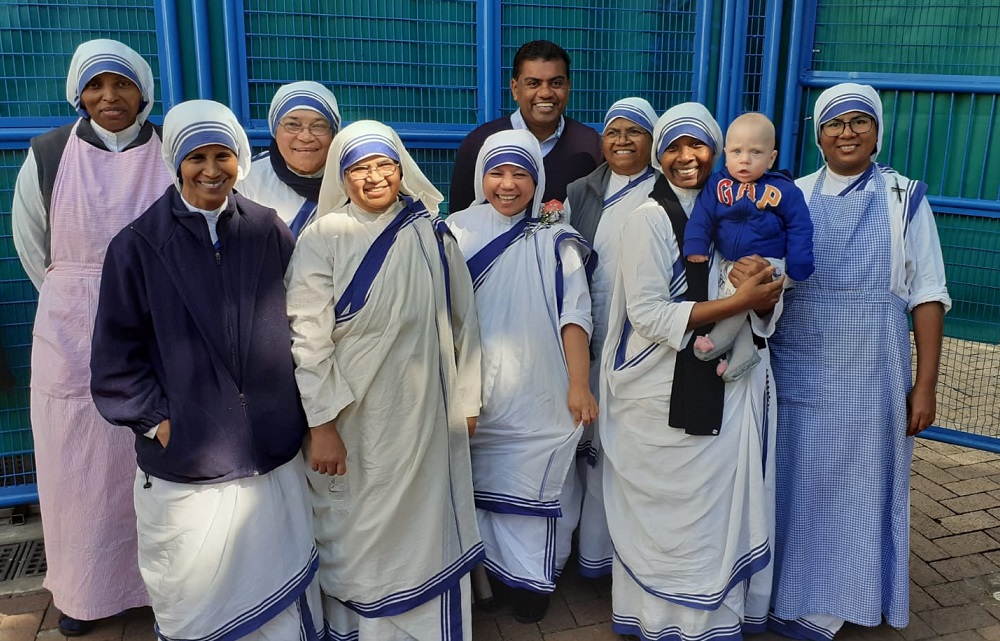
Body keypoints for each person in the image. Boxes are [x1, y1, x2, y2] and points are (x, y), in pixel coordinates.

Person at [90, 100, 323, 641]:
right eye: (197, 157)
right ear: (175, 161)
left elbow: (302, 324)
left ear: (240, 159)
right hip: (188, 462)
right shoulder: (138, 245)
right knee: (197, 596)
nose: (212, 170)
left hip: (271, 454)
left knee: (280, 590)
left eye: (223, 155)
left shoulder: (268, 231)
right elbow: (114, 359)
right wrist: (160, 422)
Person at [286, 120, 483, 640]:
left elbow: (464, 322)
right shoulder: (322, 237)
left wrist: (467, 400)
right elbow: (306, 337)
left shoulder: (433, 233)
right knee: (358, 531)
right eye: (359, 168)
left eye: (384, 165)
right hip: (355, 421)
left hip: (426, 419)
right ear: (341, 176)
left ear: (401, 168)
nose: (373, 177)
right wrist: (322, 424)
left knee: (426, 528)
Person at [768, 83, 950, 640]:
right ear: (818, 134)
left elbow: (928, 294)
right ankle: (789, 598)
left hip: (873, 371)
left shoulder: (904, 198)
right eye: (834, 123)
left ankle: (843, 600)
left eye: (858, 122)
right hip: (799, 362)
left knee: (859, 486)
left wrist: (925, 385)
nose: (846, 133)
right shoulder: (791, 195)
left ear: (876, 131)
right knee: (794, 481)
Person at [601, 102, 785, 641]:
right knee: (662, 519)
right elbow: (651, 316)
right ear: (659, 155)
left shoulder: (740, 211)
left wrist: (763, 290)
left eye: (698, 144)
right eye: (673, 146)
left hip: (725, 389)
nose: (686, 157)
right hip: (654, 393)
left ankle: (709, 623)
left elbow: (766, 303)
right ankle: (655, 621)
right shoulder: (648, 219)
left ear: (717, 150)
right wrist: (737, 300)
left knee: (710, 517)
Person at [11, 38, 172, 637]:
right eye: (96, 85)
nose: (110, 97)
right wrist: (78, 294)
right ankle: (83, 596)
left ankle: (159, 588)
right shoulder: (48, 153)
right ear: (77, 91)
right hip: (71, 333)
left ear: (143, 92)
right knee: (73, 469)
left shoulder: (169, 151)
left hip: (155, 327)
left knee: (151, 464)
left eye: (122, 84)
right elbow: (34, 245)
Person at [446, 129, 597, 623]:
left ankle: (535, 578)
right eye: (497, 172)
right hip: (475, 392)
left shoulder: (556, 238)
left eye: (520, 173)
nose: (507, 185)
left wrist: (578, 384)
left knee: (537, 485)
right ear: (479, 176)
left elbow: (574, 315)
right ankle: (489, 579)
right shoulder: (455, 230)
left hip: (540, 392)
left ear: (537, 178)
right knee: (480, 489)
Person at [564, 96, 659, 578]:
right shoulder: (580, 190)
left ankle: (626, 563)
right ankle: (589, 557)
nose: (622, 141)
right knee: (589, 453)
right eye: (614, 132)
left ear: (653, 139)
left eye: (634, 132)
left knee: (630, 457)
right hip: (591, 337)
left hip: (648, 347)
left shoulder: (667, 191)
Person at [684, 112, 814, 382]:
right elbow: (702, 216)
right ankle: (743, 354)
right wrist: (695, 244)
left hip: (769, 261)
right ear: (725, 154)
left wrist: (799, 263)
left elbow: (800, 226)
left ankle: (718, 339)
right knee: (736, 302)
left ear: (771, 158)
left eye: (756, 152)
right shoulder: (717, 185)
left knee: (739, 298)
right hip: (729, 263)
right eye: (736, 151)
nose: (745, 159)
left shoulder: (784, 190)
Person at [448, 40, 602, 213]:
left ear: (568, 87)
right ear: (515, 89)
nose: (545, 93)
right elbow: (461, 218)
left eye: (556, 83)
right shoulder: (480, 143)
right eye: (533, 83)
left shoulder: (590, 145)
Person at [236, 81, 341, 237]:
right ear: (274, 131)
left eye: (318, 126)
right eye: (293, 125)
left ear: (333, 133)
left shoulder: (350, 180)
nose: (306, 136)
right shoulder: (246, 180)